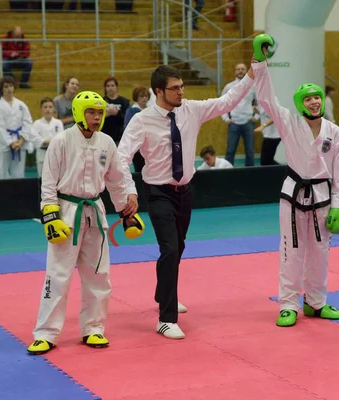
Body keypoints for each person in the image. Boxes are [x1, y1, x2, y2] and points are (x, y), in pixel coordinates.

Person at [118, 64, 256, 340]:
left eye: (182, 86)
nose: (181, 91)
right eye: (175, 88)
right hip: (157, 191)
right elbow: (122, 157)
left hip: (185, 190)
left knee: (178, 246)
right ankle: (165, 318)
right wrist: (128, 192)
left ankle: (163, 293)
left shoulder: (191, 109)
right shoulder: (141, 120)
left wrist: (252, 73)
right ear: (158, 91)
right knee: (169, 248)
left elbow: (227, 101)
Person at [27, 91, 141, 355]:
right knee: (58, 275)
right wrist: (50, 216)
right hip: (66, 212)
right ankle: (45, 333)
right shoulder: (61, 140)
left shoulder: (107, 142)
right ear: (79, 113)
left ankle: (93, 328)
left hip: (95, 211)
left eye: (100, 113)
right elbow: (48, 182)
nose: (96, 117)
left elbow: (115, 180)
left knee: (99, 275)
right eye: (91, 112)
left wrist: (126, 211)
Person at [251, 34, 339, 327]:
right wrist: (260, 62)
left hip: (322, 194)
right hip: (293, 193)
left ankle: (316, 302)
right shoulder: (288, 121)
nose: (314, 102)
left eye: (317, 97)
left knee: (320, 253)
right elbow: (266, 97)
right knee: (290, 250)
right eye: (308, 98)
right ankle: (288, 304)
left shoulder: (333, 130)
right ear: (300, 103)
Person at [31, 97, 64, 178]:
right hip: (42, 154)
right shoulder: (37, 123)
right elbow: (34, 138)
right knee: (42, 178)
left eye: (50, 107)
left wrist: (48, 142)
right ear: (41, 109)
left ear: (53, 109)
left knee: (56, 178)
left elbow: (61, 138)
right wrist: (47, 141)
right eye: (45, 107)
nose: (48, 109)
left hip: (55, 154)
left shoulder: (58, 123)